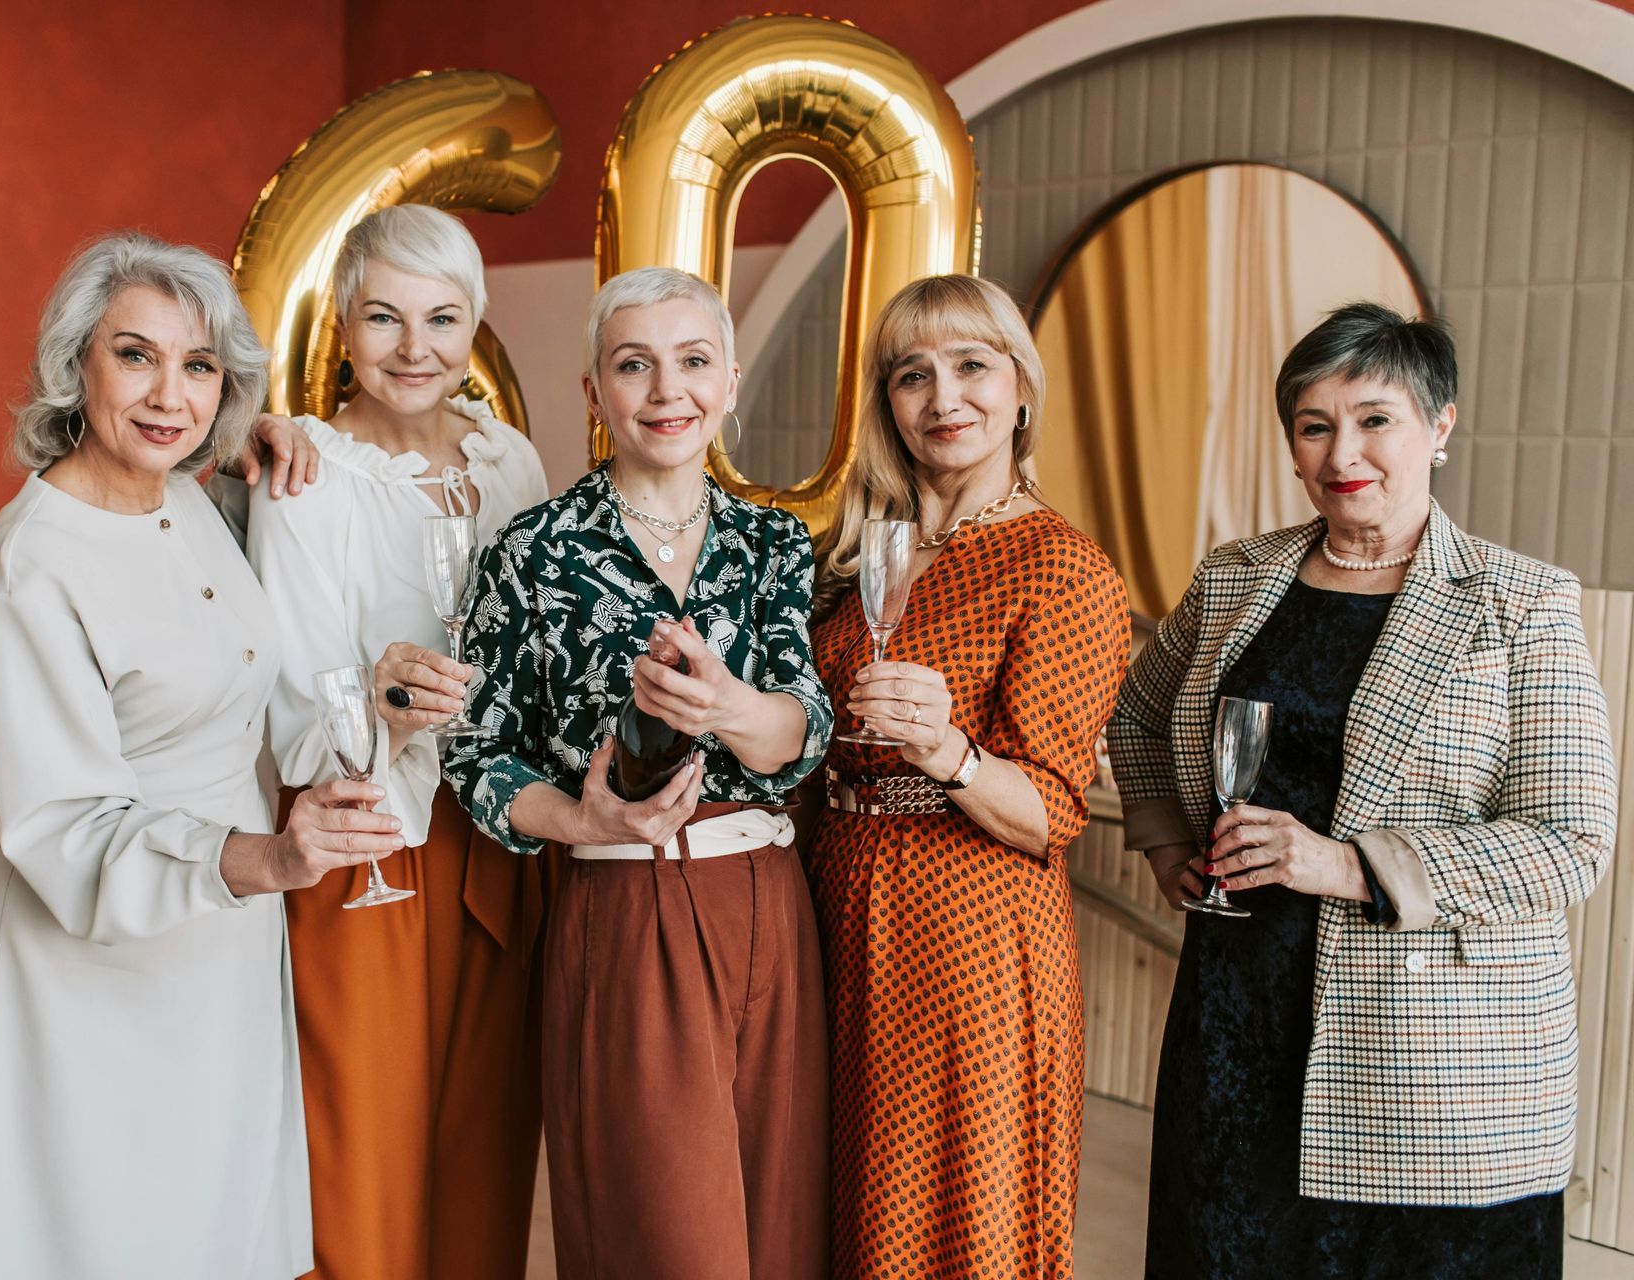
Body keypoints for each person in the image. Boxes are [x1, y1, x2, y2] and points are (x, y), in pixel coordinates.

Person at [1109, 302, 1618, 1279]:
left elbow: (1570, 841)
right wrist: (1168, 838)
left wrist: (1345, 864)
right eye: (1315, 423)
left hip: (1432, 1048)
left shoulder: (1523, 601)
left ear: (1441, 426)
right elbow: (1137, 714)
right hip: (1237, 1016)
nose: (1345, 449)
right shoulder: (1235, 575)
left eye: (1375, 417)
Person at [0, 232, 406, 1280]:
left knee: (214, 1225)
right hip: (88, 964)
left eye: (199, 367)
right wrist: (275, 860)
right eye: (134, 355)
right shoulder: (31, 570)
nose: (169, 394)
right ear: (76, 365)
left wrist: (260, 442)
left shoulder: (191, 497)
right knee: (101, 1233)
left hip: (222, 949)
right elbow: (70, 829)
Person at [444, 266, 832, 1280]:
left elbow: (804, 724)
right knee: (664, 1239)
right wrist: (583, 820)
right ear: (593, 393)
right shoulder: (530, 552)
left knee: (782, 1234)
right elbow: (476, 749)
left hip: (770, 904)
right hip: (623, 904)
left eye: (693, 361)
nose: (668, 389)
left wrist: (731, 709)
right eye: (634, 364)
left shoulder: (773, 542)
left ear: (731, 380)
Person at [244, 204, 550, 1280]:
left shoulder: (510, 458)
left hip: (499, 832)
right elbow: (286, 697)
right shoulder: (303, 474)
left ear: (476, 323)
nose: (414, 347)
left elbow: (532, 635)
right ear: (342, 322)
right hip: (365, 836)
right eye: (384, 316)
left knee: (484, 1140)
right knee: (360, 1148)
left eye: (441, 317)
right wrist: (373, 698)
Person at [806, 273, 1131, 1279]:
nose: (943, 395)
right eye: (913, 374)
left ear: (1022, 390)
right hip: (834, 895)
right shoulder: (858, 554)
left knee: (948, 1213)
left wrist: (947, 750)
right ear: (887, 405)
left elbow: (1050, 816)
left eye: (971, 365)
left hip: (969, 928)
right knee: (837, 1198)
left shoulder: (1062, 566)